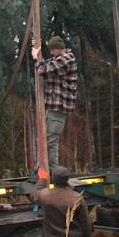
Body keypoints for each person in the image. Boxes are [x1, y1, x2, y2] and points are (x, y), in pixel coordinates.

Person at [32, 36, 78, 172]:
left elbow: (43, 69)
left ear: (58, 49)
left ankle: (47, 170)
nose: (51, 53)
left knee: (50, 139)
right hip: (54, 106)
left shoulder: (67, 59)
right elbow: (46, 66)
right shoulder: (59, 59)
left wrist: (36, 57)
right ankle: (50, 169)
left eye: (52, 50)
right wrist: (36, 49)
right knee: (50, 139)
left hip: (59, 107)